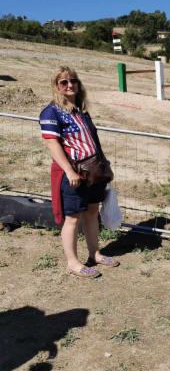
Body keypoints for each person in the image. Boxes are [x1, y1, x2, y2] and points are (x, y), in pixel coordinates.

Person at [39, 66, 119, 279]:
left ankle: (95, 253)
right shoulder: (51, 112)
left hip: (94, 171)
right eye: (63, 82)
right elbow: (52, 144)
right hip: (74, 174)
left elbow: (93, 141)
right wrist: (69, 171)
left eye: (73, 81)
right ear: (56, 86)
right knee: (73, 218)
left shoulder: (81, 111)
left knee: (92, 212)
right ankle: (73, 262)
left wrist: (104, 166)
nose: (69, 85)